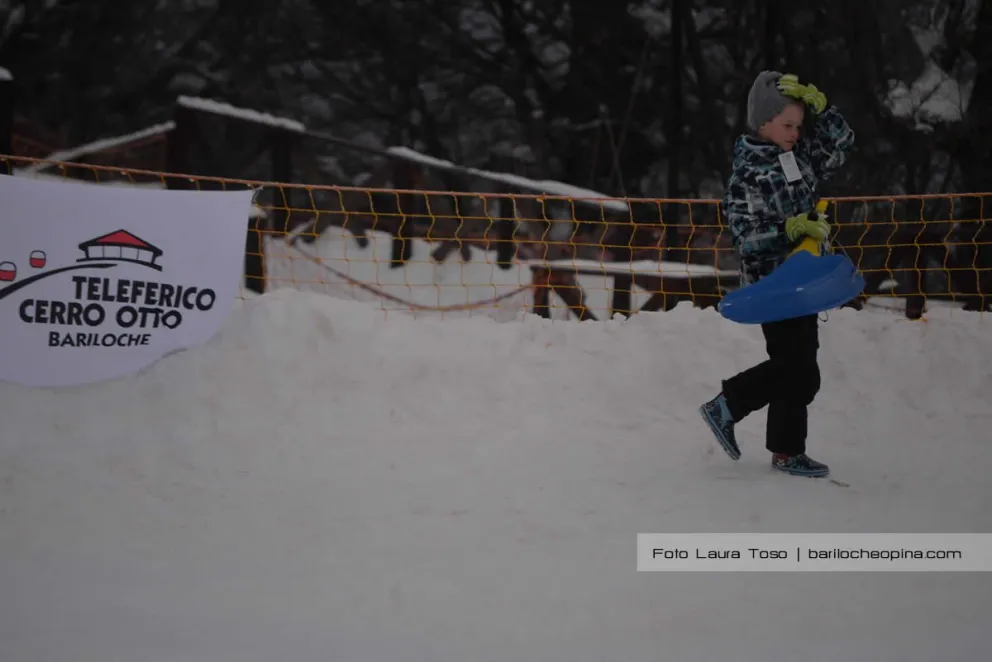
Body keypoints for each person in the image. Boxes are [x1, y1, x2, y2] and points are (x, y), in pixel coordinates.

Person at [699, 70, 856, 478]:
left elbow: (841, 147)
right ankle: (727, 404)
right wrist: (789, 229)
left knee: (800, 368)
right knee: (797, 369)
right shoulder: (747, 175)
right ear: (763, 122)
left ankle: (787, 452)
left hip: (804, 283)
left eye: (799, 126)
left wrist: (824, 112)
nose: (795, 133)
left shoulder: (797, 157)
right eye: (788, 125)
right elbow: (745, 238)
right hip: (773, 285)